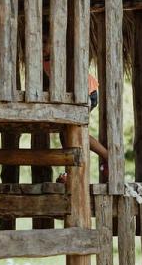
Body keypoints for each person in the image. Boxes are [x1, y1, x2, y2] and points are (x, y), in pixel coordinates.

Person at [42, 42, 109, 181]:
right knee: (65, 133)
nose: (42, 47)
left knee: (74, 130)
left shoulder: (60, 55)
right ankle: (70, 173)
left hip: (86, 92)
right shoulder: (43, 60)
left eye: (45, 43)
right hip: (73, 96)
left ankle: (107, 155)